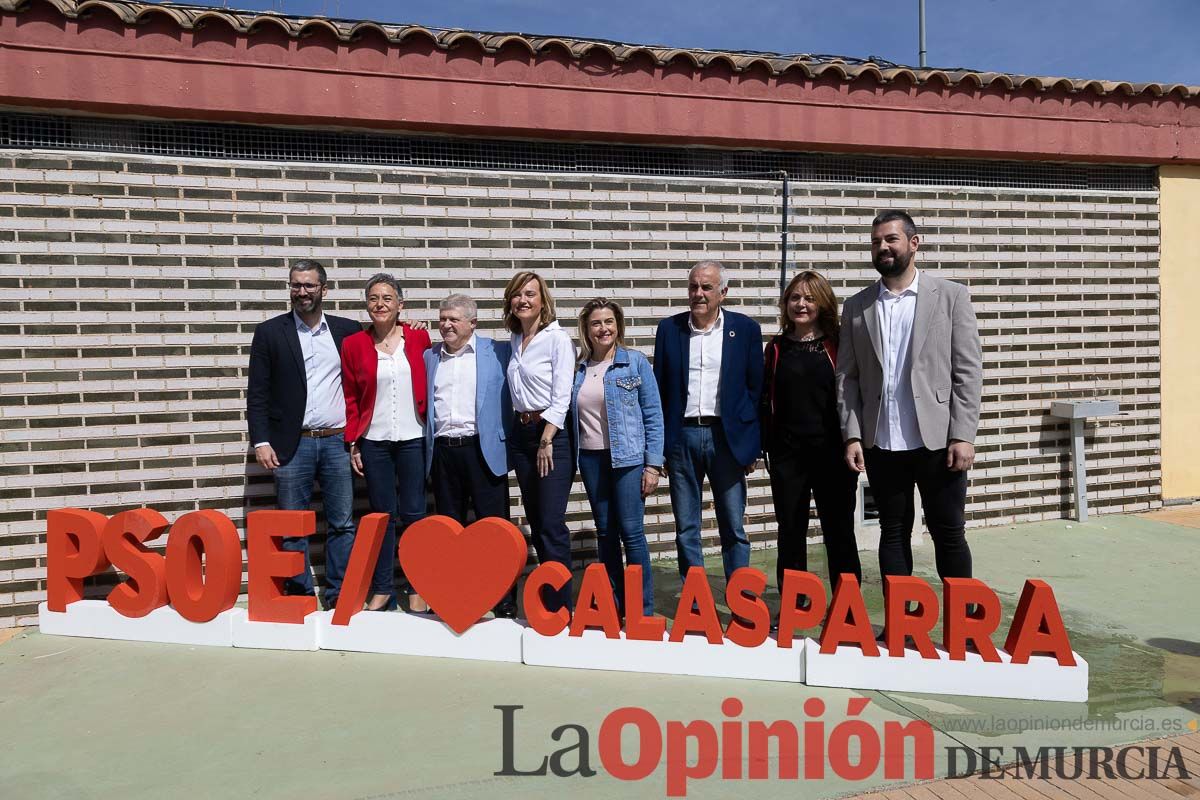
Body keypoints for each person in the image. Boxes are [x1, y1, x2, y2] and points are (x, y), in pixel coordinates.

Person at [837, 210, 983, 589]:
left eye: (890, 239)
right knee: (893, 531)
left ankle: (963, 628)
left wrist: (963, 434)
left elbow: (967, 371)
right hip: (882, 442)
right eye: (875, 241)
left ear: (913, 244)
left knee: (948, 531)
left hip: (938, 441)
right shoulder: (857, 306)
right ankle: (901, 628)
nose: (882, 247)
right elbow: (847, 378)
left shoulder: (951, 296)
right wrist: (852, 435)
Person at [246, 259, 361, 608]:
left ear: (324, 290)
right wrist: (261, 440)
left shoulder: (348, 330)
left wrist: (412, 323)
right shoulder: (270, 332)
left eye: (309, 285)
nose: (302, 292)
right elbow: (258, 393)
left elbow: (387, 339)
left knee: (342, 522)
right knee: (292, 523)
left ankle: (339, 594)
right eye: (296, 285)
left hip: (337, 441)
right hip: (291, 445)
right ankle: (299, 595)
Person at [653, 260, 763, 582]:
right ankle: (695, 605)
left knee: (733, 524)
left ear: (723, 292)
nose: (698, 293)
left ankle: (740, 598)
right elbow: (660, 390)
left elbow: (755, 392)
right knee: (687, 527)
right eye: (693, 287)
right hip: (682, 438)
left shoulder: (745, 330)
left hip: (726, 439)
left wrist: (752, 447)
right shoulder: (668, 329)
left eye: (706, 287)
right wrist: (659, 448)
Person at [762, 271, 862, 594]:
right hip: (787, 457)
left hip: (832, 455)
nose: (800, 304)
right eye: (794, 298)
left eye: (809, 298)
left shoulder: (837, 344)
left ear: (822, 303)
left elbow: (851, 393)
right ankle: (796, 603)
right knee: (790, 531)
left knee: (839, 531)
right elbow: (765, 398)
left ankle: (848, 608)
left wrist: (853, 439)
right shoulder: (776, 348)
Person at [340, 273, 432, 612]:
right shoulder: (353, 344)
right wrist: (354, 441)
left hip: (413, 439)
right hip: (374, 441)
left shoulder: (419, 338)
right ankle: (381, 588)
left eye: (387, 298)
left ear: (400, 305)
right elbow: (350, 396)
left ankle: (417, 586)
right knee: (381, 516)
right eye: (374, 298)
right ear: (367, 305)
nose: (380, 304)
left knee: (415, 514)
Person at [423, 293, 518, 618]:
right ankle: (452, 597)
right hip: (444, 454)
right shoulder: (429, 357)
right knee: (448, 529)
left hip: (483, 451)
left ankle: (504, 601)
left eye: (453, 319)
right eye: (442, 318)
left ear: (472, 323)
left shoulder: (497, 352)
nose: (446, 324)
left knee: (495, 530)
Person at [571, 299, 665, 618]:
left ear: (618, 325)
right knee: (605, 533)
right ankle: (613, 605)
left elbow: (653, 415)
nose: (603, 329)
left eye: (609, 322)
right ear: (586, 329)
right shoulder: (579, 369)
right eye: (596, 323)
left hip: (628, 460)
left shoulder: (635, 363)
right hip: (591, 459)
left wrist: (652, 464)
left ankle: (641, 610)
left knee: (631, 532)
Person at [504, 271, 576, 613]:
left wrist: (547, 438)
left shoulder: (557, 338)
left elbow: (562, 394)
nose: (523, 300)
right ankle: (547, 604)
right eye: (517, 295)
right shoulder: (516, 339)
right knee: (536, 518)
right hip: (522, 435)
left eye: (530, 294)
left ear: (542, 300)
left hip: (550, 437)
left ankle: (560, 606)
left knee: (550, 522)